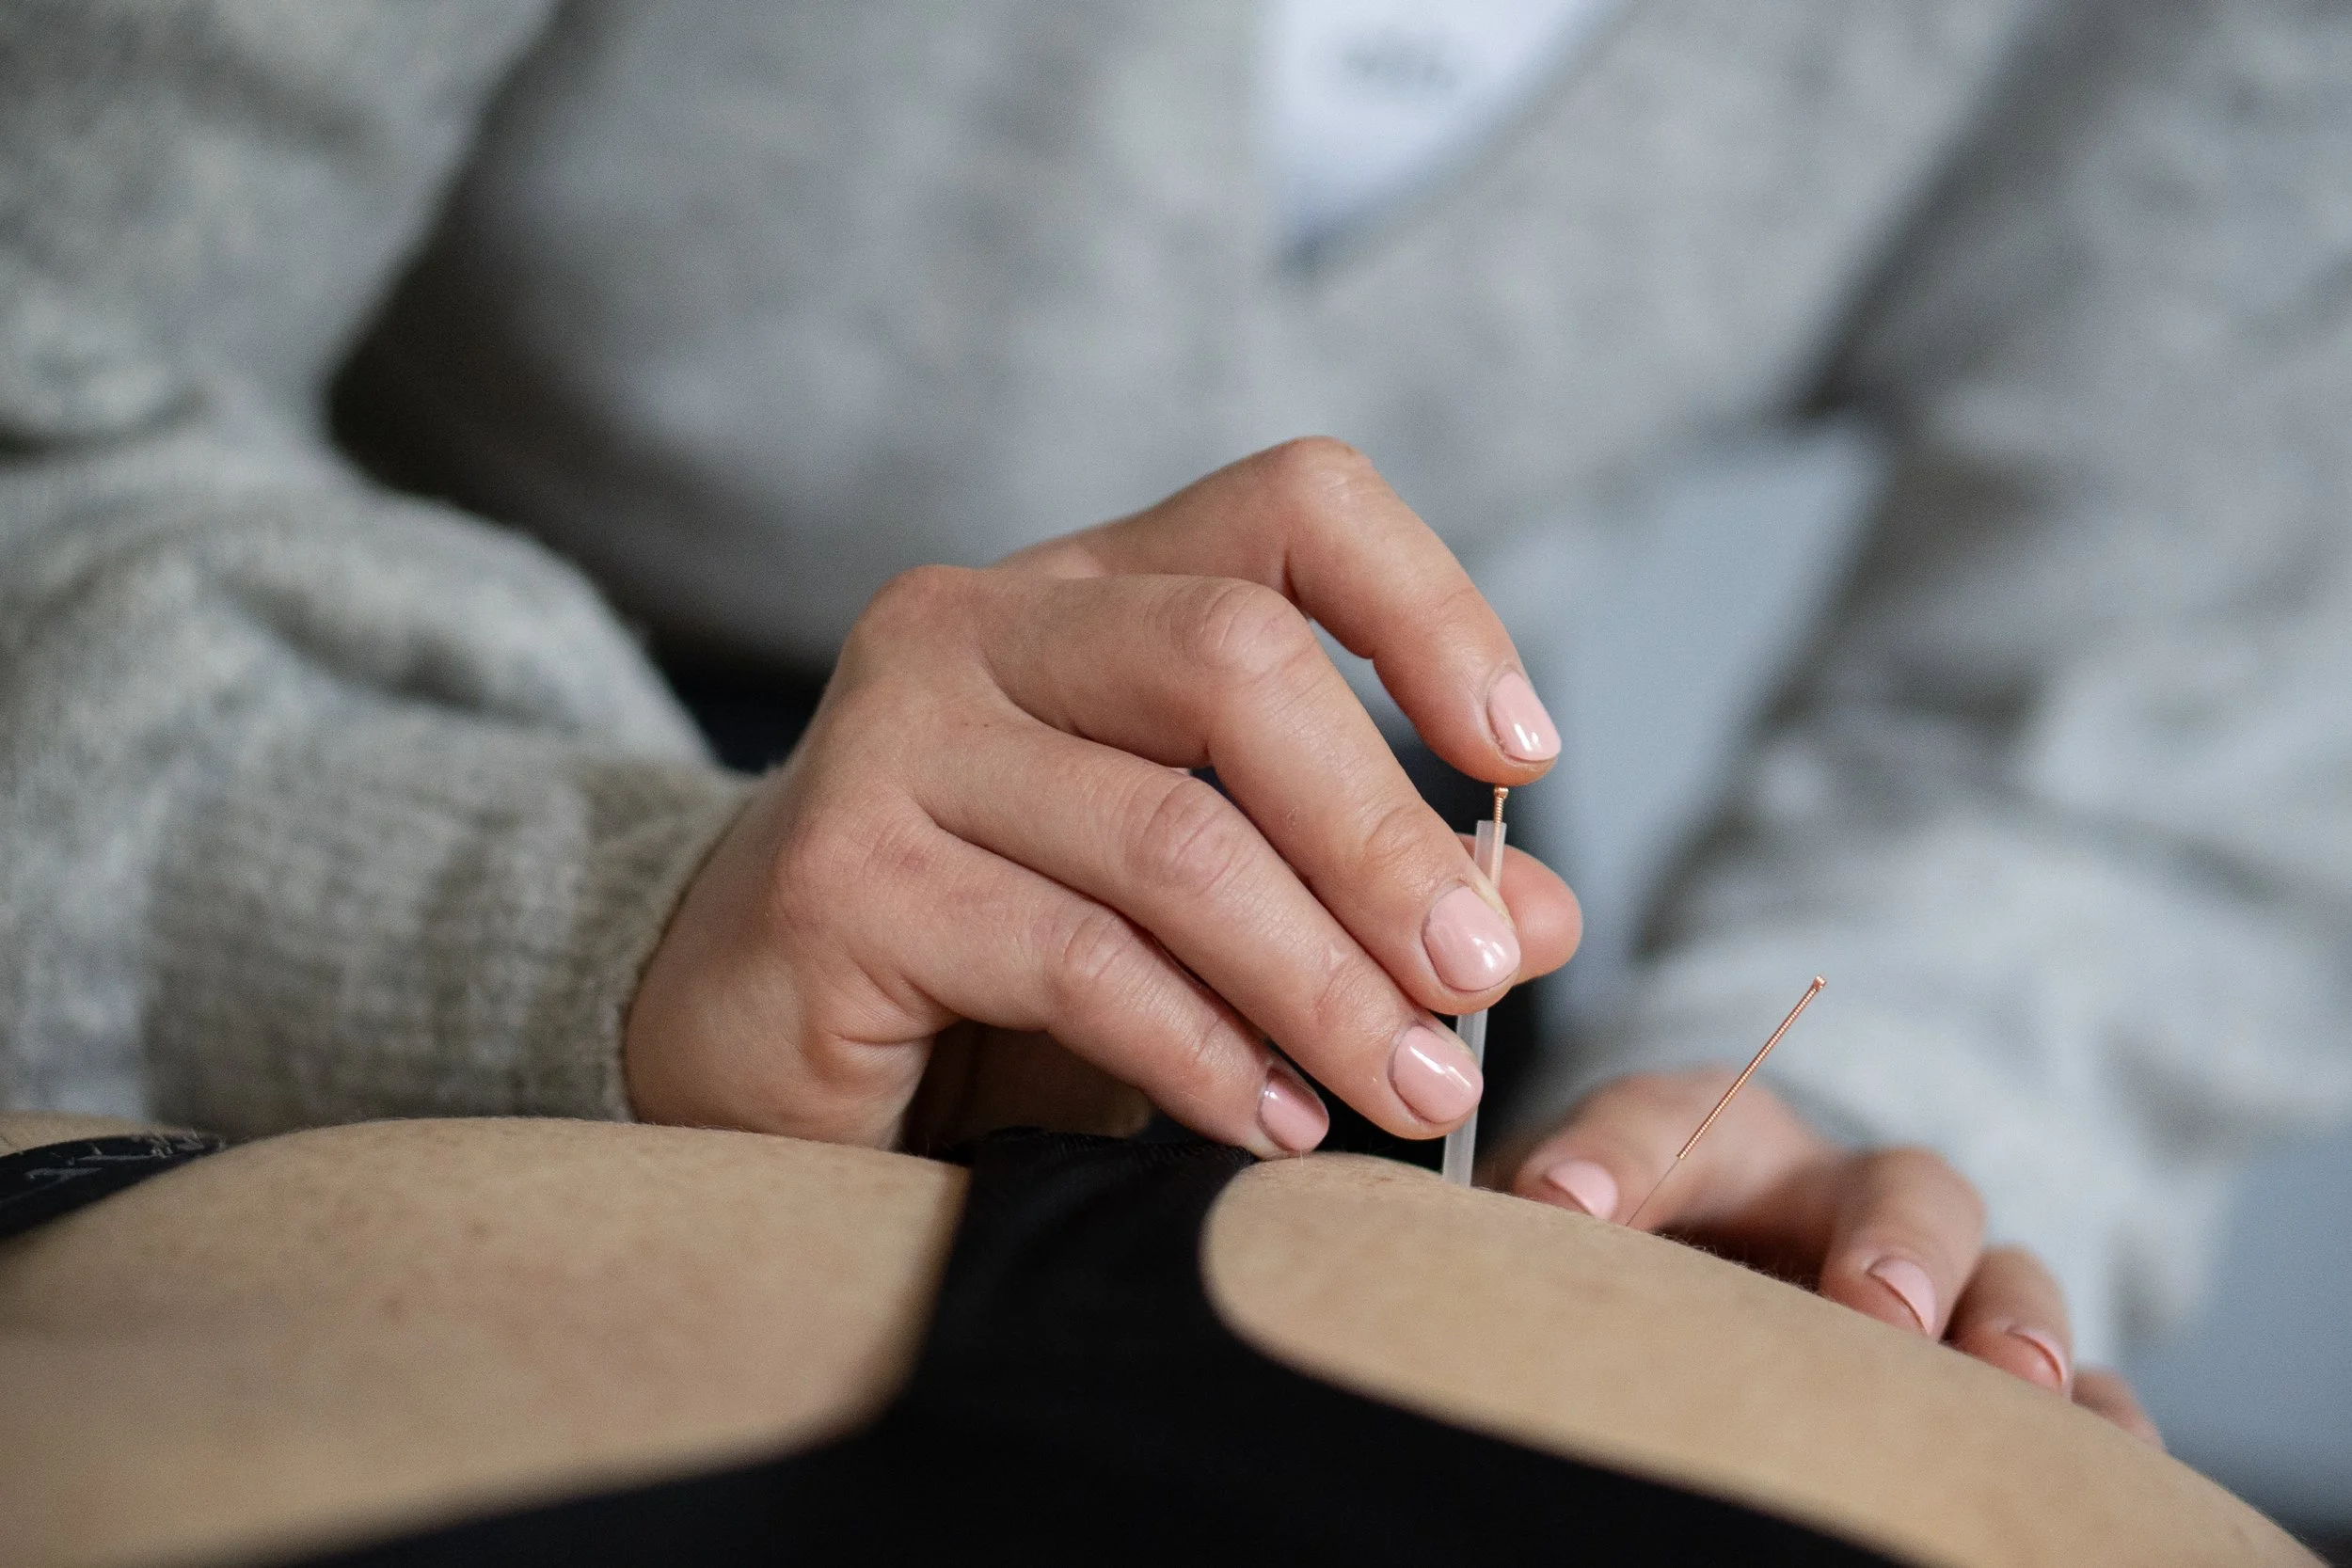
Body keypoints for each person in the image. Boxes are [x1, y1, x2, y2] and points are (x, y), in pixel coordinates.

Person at [5, 0, 2350, 1406]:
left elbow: (2132, 760)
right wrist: (570, 916)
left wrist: (1869, 1133)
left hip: (1336, 1040)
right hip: (337, 862)